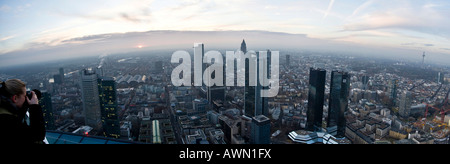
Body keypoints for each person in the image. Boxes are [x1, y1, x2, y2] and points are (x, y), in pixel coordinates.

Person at [0, 79, 45, 144]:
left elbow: (17, 117)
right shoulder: (7, 121)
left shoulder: (4, 108)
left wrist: (24, 104)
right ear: (15, 98)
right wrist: (34, 106)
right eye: (24, 96)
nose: (26, 97)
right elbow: (38, 135)